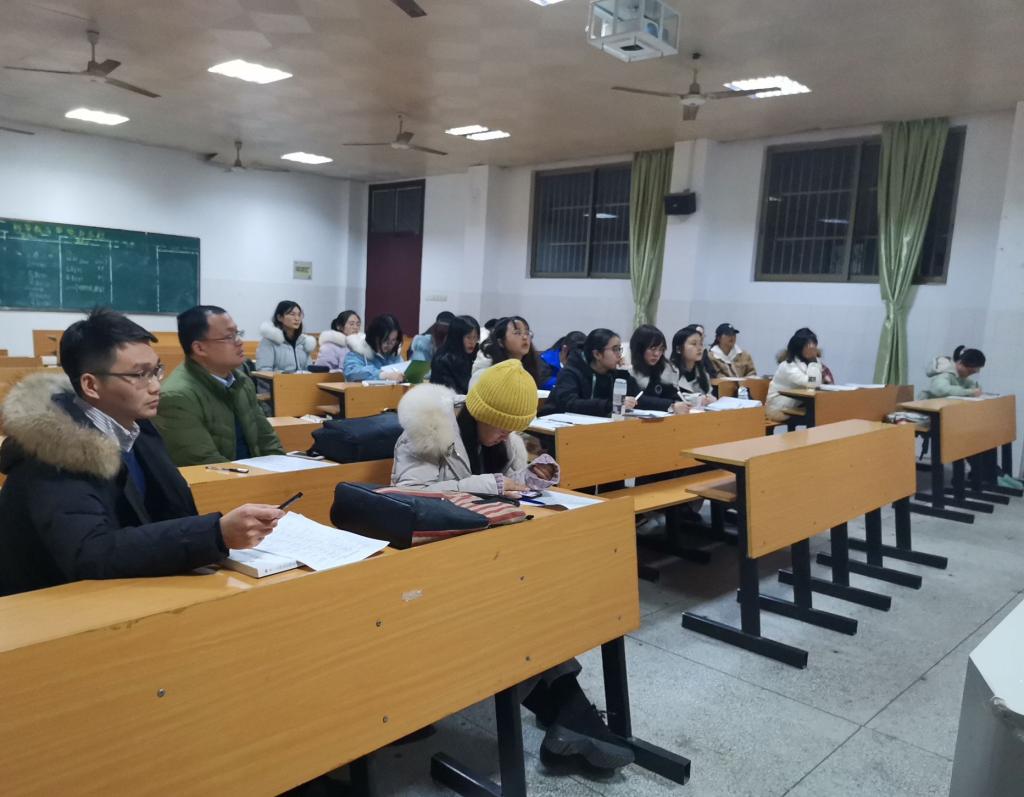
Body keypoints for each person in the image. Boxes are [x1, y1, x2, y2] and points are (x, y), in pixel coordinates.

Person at [390, 359, 633, 771]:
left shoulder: (505, 441)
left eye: (513, 428)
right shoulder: (427, 432)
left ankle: (570, 717)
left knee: (536, 601)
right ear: (479, 411)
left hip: (487, 555)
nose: (507, 434)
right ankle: (573, 718)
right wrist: (492, 485)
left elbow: (509, 485)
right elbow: (406, 495)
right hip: (433, 564)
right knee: (515, 611)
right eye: (501, 425)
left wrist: (532, 478)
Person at [0, 308, 284, 597]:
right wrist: (213, 534)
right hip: (51, 600)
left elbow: (172, 508)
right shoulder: (53, 452)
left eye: (156, 370)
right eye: (139, 375)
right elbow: (90, 552)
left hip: (121, 583)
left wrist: (213, 537)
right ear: (91, 385)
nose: (156, 386)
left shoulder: (136, 426)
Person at [154, 305, 286, 466]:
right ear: (199, 348)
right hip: (225, 479)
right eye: (229, 336)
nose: (239, 342)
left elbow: (267, 440)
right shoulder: (176, 397)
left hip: (254, 474)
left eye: (237, 333)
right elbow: (205, 464)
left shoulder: (242, 382)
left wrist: (284, 470)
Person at [546, 328, 686, 417]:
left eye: (620, 349)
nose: (619, 354)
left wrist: (671, 405)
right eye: (615, 349)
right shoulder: (571, 372)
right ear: (597, 354)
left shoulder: (615, 373)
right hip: (558, 429)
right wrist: (611, 405)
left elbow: (639, 398)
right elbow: (570, 404)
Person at [765, 328, 825, 421]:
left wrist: (814, 361)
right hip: (778, 408)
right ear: (799, 347)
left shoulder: (813, 361)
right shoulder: (787, 366)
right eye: (808, 345)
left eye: (814, 344)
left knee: (823, 410)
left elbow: (816, 381)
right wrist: (813, 361)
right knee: (815, 416)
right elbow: (812, 382)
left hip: (796, 404)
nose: (812, 347)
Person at [473, 315, 543, 388]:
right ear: (500, 342)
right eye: (517, 333)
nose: (525, 337)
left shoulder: (530, 366)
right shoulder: (485, 372)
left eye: (527, 333)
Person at [255, 300, 317, 372]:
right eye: (292, 314)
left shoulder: (303, 342)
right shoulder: (269, 341)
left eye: (299, 315)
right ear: (279, 317)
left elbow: (309, 370)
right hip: (278, 379)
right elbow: (263, 370)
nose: (297, 318)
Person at [629, 325, 683, 404]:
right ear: (639, 348)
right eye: (652, 349)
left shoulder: (668, 369)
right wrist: (670, 404)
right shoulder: (629, 371)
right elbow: (639, 400)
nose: (657, 354)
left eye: (661, 349)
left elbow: (674, 395)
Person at [344, 313, 404, 382]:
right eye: (386, 339)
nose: (389, 344)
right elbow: (351, 373)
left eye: (393, 340)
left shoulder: (394, 355)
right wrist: (382, 375)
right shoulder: (358, 353)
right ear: (375, 337)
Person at [429, 314, 480, 395]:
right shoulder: (443, 360)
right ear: (457, 337)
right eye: (468, 337)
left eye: (475, 337)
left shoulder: (475, 354)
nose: (472, 342)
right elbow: (448, 393)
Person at [670, 325, 715, 405]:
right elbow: (671, 398)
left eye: (701, 344)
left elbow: (709, 394)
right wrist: (697, 399)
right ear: (678, 349)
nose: (699, 348)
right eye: (694, 344)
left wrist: (710, 399)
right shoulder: (669, 371)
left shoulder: (702, 372)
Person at [920, 345, 985, 398]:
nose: (969, 374)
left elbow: (972, 385)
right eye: (969, 371)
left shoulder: (961, 376)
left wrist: (975, 390)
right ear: (960, 363)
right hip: (928, 407)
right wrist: (969, 392)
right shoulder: (944, 373)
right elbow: (940, 389)